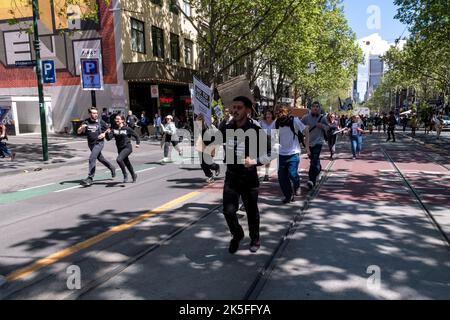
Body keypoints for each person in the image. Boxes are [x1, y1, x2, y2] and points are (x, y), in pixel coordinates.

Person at [219, 96, 273, 254]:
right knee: (228, 211)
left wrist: (254, 161)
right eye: (233, 107)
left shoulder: (256, 131)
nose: (235, 110)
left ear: (248, 111)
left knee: (251, 210)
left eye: (239, 107)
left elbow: (270, 153)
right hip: (231, 176)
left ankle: (255, 238)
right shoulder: (227, 127)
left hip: (249, 177)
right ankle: (237, 234)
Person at [276, 106, 310, 203]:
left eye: (282, 112)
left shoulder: (294, 121)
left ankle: (297, 184)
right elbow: (274, 138)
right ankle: (288, 195)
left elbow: (306, 130)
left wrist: (307, 147)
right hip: (282, 154)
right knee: (281, 177)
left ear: (287, 113)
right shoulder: (277, 122)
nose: (280, 114)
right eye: (279, 113)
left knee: (292, 173)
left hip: (293, 153)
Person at [77, 107, 116, 186]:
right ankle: (112, 167)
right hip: (91, 144)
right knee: (100, 158)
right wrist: (81, 128)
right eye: (94, 113)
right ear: (90, 114)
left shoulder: (100, 122)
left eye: (96, 113)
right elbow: (78, 131)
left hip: (99, 143)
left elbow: (109, 129)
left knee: (92, 158)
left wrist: (104, 134)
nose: (96, 115)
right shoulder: (86, 121)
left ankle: (90, 178)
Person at [301, 101, 329, 190]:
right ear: (311, 108)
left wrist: (322, 126)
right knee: (314, 161)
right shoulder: (305, 118)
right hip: (309, 142)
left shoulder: (323, 117)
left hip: (318, 142)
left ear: (319, 108)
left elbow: (328, 128)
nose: (315, 108)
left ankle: (311, 181)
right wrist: (305, 128)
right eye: (314, 106)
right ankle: (319, 168)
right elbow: (299, 128)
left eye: (317, 106)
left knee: (314, 161)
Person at [106, 114, 140, 183]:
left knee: (119, 159)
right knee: (127, 163)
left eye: (118, 119)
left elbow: (136, 136)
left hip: (127, 147)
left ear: (122, 120)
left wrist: (137, 143)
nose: (116, 120)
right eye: (116, 119)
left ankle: (125, 174)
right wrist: (107, 133)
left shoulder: (127, 128)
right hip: (120, 149)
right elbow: (108, 138)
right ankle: (133, 175)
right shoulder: (114, 129)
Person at [194, 115, 220, 183]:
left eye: (199, 120)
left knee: (209, 163)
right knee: (202, 164)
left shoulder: (211, 128)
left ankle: (216, 167)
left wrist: (214, 149)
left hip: (209, 147)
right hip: (201, 147)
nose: (197, 122)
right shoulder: (198, 127)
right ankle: (210, 176)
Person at [259, 110, 276, 181]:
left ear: (272, 115)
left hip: (271, 142)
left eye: (269, 114)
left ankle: (266, 174)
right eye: (266, 114)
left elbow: (277, 134)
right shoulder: (262, 122)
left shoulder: (275, 122)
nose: (268, 115)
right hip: (262, 142)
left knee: (267, 159)